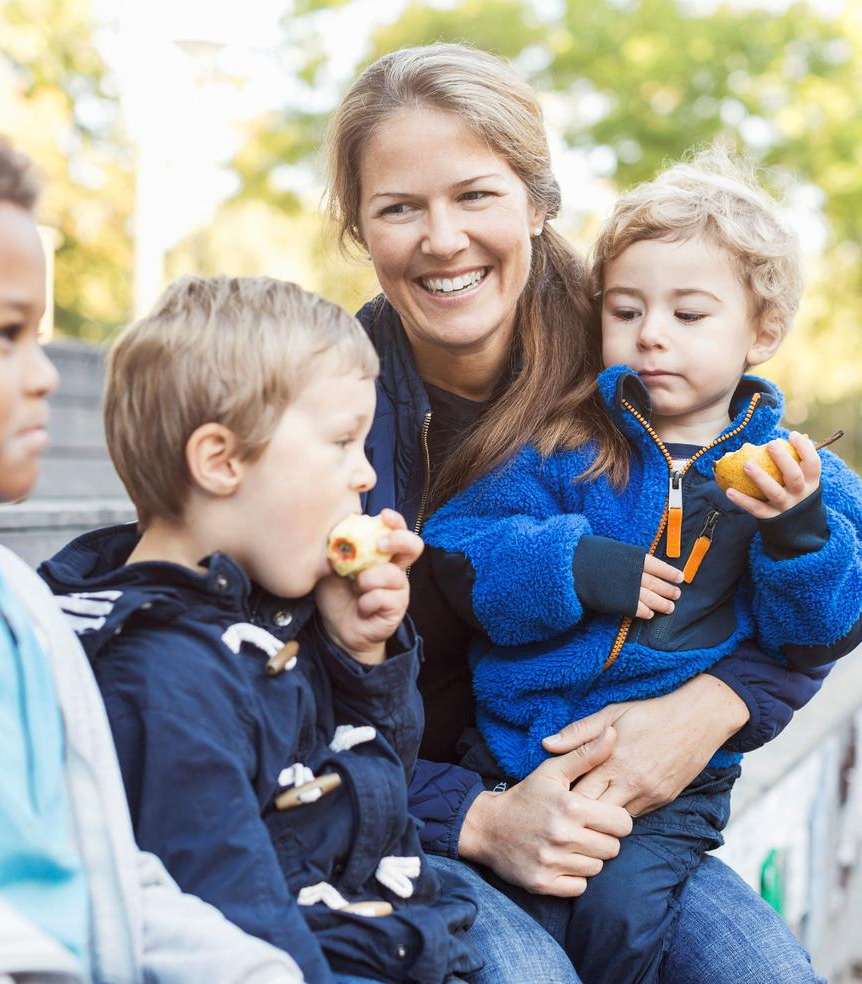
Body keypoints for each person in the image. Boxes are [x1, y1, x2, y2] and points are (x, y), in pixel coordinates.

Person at [325, 42, 837, 980]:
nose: (442, 240)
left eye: (475, 194)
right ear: (361, 229)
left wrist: (707, 712)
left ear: (538, 200)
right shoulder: (328, 403)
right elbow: (289, 699)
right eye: (400, 208)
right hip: (426, 798)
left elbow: (802, 604)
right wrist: (475, 819)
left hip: (632, 803)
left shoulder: (647, 358)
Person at [0, 96, 301, 983]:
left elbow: (100, 871)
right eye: (4, 335)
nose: (46, 376)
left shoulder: (11, 595)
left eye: (43, 338)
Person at [422, 150, 862, 982]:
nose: (651, 333)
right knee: (535, 922)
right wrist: (571, 563)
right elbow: (458, 546)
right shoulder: (564, 448)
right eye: (626, 310)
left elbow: (822, 632)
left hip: (669, 791)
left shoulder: (801, 477)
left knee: (623, 919)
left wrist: (798, 535)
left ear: (760, 333)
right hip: (517, 752)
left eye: (689, 314)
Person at [38, 276, 484, 984]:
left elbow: (376, 798)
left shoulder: (270, 614)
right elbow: (236, 919)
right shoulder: (163, 677)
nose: (365, 474)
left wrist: (361, 655)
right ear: (221, 462)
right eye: (342, 441)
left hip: (388, 924)